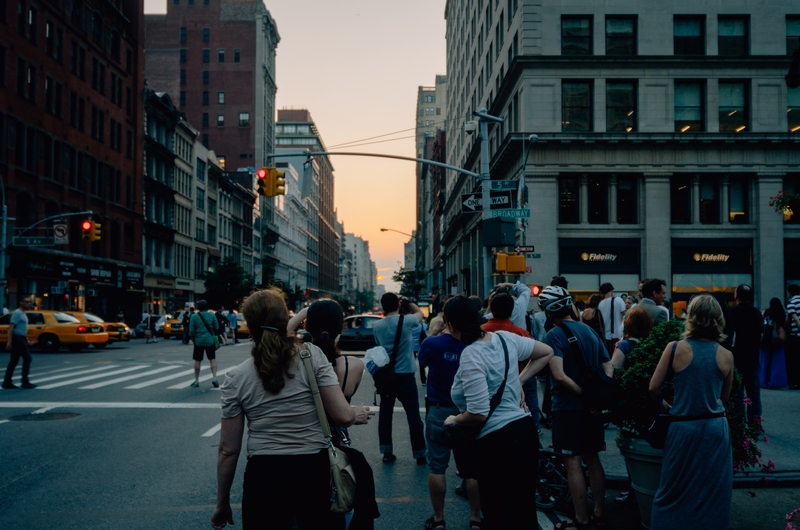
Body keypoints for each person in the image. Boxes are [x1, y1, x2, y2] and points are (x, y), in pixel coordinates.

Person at [211, 288, 373, 530]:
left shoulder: (236, 376)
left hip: (264, 474)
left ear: (250, 325)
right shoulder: (312, 355)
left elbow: (228, 451)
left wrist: (222, 503)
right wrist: (354, 414)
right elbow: (340, 414)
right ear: (283, 319)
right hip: (313, 470)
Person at [443, 296, 553, 529]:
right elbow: (546, 352)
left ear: (451, 325)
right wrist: (519, 381)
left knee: (498, 513)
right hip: (524, 432)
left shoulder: (472, 354)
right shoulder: (505, 339)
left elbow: (478, 413)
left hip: (497, 442)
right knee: (523, 511)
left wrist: (455, 419)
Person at [649, 294, 734, 530]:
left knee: (672, 490)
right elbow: (724, 399)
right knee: (713, 493)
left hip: (683, 426)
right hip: (716, 428)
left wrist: (668, 407)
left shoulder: (675, 348)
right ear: (718, 319)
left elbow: (654, 388)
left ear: (691, 318)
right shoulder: (727, 355)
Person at [539, 286, 611, 530]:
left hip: (568, 408)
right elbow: (607, 368)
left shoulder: (553, 336)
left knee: (572, 461)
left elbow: (558, 376)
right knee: (593, 459)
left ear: (548, 311)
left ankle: (581, 519)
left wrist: (584, 396)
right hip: (593, 410)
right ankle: (600, 512)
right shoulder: (591, 332)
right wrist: (597, 399)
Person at [418, 312, 481, 530]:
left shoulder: (433, 344)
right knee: (472, 469)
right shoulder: (475, 345)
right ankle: (475, 518)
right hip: (467, 413)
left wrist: (435, 330)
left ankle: (439, 519)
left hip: (438, 410)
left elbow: (421, 359)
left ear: (447, 322)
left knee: (437, 467)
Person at [372, 293, 427, 464]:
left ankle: (387, 451)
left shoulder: (377, 325)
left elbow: (378, 346)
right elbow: (420, 314)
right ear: (398, 304)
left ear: (382, 307)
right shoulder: (407, 321)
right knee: (413, 415)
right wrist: (409, 301)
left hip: (386, 376)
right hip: (405, 376)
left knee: (385, 413)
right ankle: (419, 453)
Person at [481, 293, 541, 432]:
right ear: (512, 310)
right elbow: (534, 356)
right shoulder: (521, 333)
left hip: (487, 381)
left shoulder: (481, 331)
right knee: (530, 394)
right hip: (518, 380)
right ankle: (534, 428)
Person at [727, 285, 765, 421]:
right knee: (754, 392)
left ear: (737, 295)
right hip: (753, 357)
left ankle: (738, 421)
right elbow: (761, 335)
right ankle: (755, 422)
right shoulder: (756, 313)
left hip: (737, 357)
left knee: (738, 392)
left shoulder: (733, 312)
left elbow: (729, 335)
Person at [3, 297, 36, 389]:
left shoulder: (23, 313)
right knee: (27, 358)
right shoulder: (17, 313)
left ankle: (7, 382)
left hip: (20, 338)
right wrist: (9, 342)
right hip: (17, 339)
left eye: (30, 302)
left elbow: (21, 329)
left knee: (13, 361)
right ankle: (24, 381)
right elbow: (11, 327)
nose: (29, 304)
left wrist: (27, 341)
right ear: (21, 302)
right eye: (27, 302)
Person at [189, 300, 220, 388]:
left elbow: (191, 331)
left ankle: (196, 380)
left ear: (198, 307)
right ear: (206, 307)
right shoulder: (212, 315)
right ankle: (214, 378)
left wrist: (193, 340)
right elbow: (216, 327)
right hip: (210, 340)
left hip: (198, 341)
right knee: (212, 359)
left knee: (197, 360)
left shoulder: (194, 316)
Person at [760, 297, 788, 390]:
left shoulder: (766, 312)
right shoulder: (782, 314)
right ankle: (775, 382)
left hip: (766, 340)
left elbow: (761, 324)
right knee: (777, 362)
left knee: (763, 362)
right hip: (777, 341)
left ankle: (762, 382)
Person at [598, 283, 626, 353]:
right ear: (611, 290)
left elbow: (600, 321)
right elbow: (625, 315)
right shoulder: (618, 300)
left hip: (606, 336)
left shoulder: (600, 304)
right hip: (618, 334)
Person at [787, 284, 800, 388]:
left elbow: (795, 318)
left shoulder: (791, 303)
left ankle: (795, 382)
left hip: (796, 335)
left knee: (795, 359)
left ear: (789, 292)